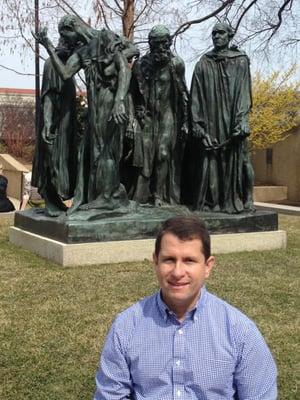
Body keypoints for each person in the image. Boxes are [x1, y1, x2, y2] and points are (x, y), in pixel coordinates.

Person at [94, 216, 277, 399]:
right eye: (169, 260)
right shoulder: (126, 327)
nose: (178, 272)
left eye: (189, 260)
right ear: (155, 262)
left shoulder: (240, 332)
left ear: (207, 266)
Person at [34, 16, 139, 214]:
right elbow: (65, 73)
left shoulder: (106, 37)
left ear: (73, 27)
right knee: (89, 152)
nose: (68, 42)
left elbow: (125, 70)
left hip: (111, 102)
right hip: (95, 107)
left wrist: (119, 101)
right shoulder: (82, 52)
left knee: (107, 150)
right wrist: (48, 46)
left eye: (66, 36)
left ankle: (109, 197)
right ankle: (95, 196)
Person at [185, 22, 254, 213]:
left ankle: (247, 198)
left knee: (243, 160)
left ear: (229, 35)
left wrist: (242, 119)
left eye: (221, 33)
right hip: (212, 121)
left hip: (234, 119)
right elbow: (195, 97)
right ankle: (214, 202)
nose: (216, 36)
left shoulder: (240, 60)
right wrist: (198, 125)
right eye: (214, 33)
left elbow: (244, 92)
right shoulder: (203, 63)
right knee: (212, 162)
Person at [124, 25, 188, 206]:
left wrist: (185, 122)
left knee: (163, 153)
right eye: (156, 44)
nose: (160, 48)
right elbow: (131, 93)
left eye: (163, 44)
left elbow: (183, 93)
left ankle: (159, 196)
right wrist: (135, 111)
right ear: (150, 44)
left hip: (167, 115)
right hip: (147, 117)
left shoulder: (177, 64)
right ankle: (140, 196)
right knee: (144, 157)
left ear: (169, 43)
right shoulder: (141, 64)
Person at [31, 34, 78, 216]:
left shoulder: (65, 66)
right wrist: (48, 123)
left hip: (66, 124)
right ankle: (50, 199)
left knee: (63, 160)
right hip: (55, 124)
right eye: (68, 44)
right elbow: (49, 96)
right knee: (52, 160)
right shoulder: (52, 64)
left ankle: (56, 201)